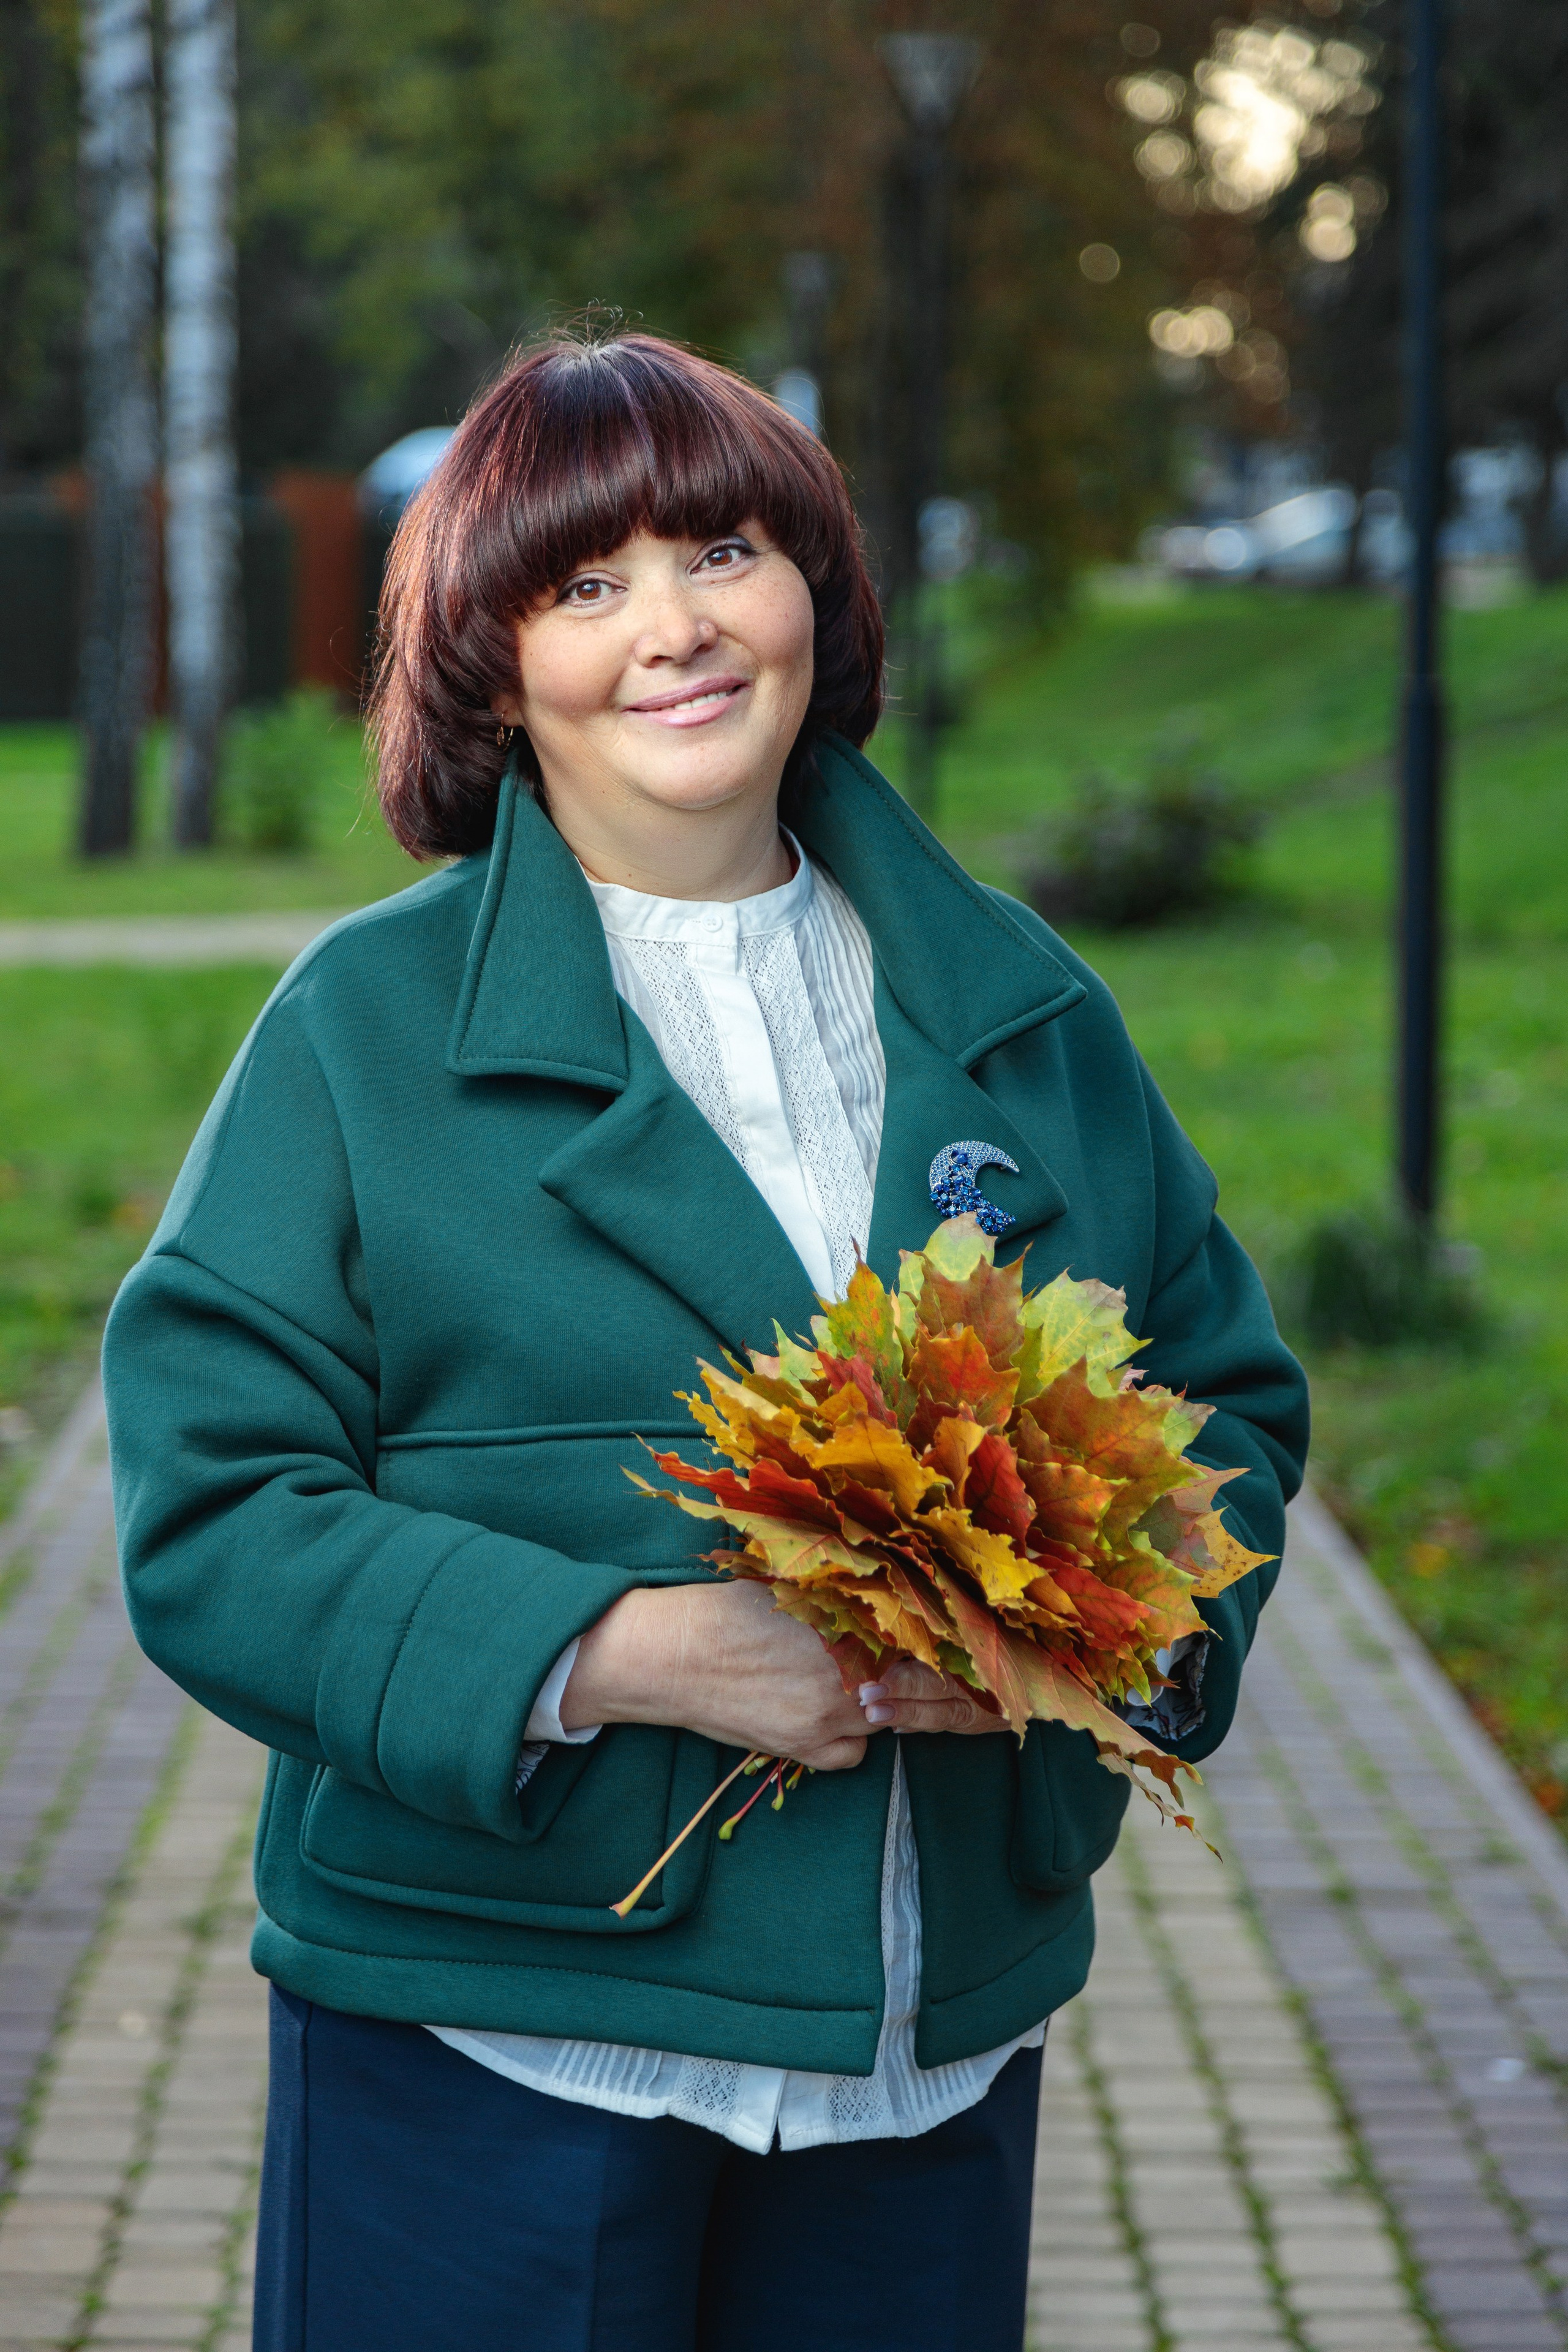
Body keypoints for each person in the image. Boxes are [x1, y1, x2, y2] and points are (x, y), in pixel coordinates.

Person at [102, 329, 1308, 2352]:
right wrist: (633, 1654)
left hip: (929, 2052)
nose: (669, 627)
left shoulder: (1024, 1007)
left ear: (815, 597)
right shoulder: (355, 1036)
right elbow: (217, 1520)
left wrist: (1093, 1625)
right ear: (489, 659)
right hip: (498, 2037)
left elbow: (1223, 1403)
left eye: (723, 550)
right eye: (584, 584)